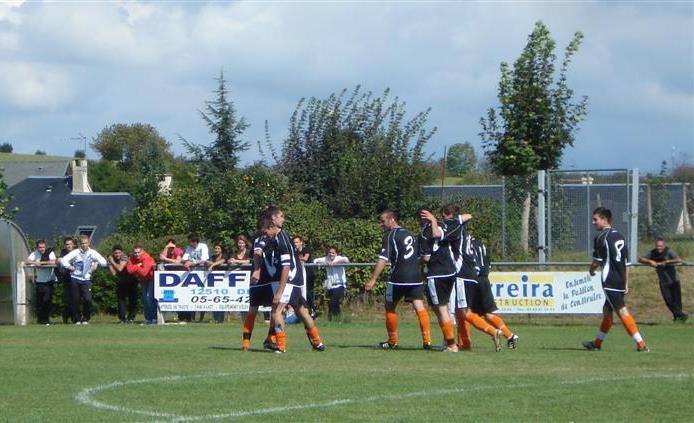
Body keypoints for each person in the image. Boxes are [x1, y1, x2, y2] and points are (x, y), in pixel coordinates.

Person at [583, 207, 649, 352]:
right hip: (619, 279)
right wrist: (626, 282)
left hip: (609, 280)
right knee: (607, 310)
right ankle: (597, 343)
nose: (593, 223)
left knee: (621, 311)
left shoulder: (601, 238)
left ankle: (641, 344)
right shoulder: (620, 235)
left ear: (604, 220)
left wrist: (591, 271)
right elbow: (626, 263)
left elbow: (596, 262)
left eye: (596, 219)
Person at [365, 209, 431, 350]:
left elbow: (383, 259)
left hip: (398, 277)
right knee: (419, 306)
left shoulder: (390, 235)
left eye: (383, 221)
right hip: (415, 277)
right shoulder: (410, 234)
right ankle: (427, 341)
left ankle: (392, 341)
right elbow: (421, 257)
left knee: (389, 306)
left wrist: (373, 279)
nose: (381, 224)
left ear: (392, 219)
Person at [441, 204, 503, 352]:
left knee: (463, 312)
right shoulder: (462, 230)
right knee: (459, 310)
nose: (442, 219)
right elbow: (468, 216)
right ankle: (465, 343)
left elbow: (466, 217)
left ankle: (493, 332)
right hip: (469, 273)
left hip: (463, 273)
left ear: (449, 214)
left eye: (444, 215)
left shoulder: (455, 227)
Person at [262, 214, 324, 353]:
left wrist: (280, 290)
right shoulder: (280, 236)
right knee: (301, 310)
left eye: (265, 229)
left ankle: (281, 345)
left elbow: (286, 266)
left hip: (289, 279)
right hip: (296, 279)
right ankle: (317, 342)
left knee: (276, 310)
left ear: (271, 225)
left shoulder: (281, 240)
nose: (264, 233)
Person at [418, 210, 458, 352]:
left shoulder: (424, 232)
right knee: (442, 309)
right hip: (450, 272)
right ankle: (447, 341)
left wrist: (417, 263)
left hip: (437, 274)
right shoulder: (444, 226)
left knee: (441, 309)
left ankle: (451, 344)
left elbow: (426, 258)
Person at [470, 236, 519, 349]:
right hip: (485, 279)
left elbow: (474, 264)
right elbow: (488, 264)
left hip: (474, 279)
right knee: (488, 314)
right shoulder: (480, 243)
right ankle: (510, 336)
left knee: (465, 312)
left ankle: (464, 342)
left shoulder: (466, 243)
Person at [60, 235, 107, 324]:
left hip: (86, 279)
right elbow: (63, 261)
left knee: (87, 299)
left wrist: (95, 263)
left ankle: (86, 318)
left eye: (85, 243)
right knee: (75, 300)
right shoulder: (75, 252)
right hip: (75, 278)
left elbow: (104, 263)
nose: (84, 245)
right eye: (82, 243)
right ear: (80, 244)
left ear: (89, 243)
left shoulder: (92, 253)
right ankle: (77, 319)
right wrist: (70, 267)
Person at [639, 239, 688, 322]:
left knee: (677, 301)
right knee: (668, 300)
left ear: (664, 246)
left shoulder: (669, 252)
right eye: (657, 246)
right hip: (663, 281)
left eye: (660, 246)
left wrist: (667, 262)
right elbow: (640, 259)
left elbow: (679, 260)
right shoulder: (652, 253)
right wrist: (650, 261)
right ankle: (682, 315)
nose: (659, 248)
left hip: (674, 280)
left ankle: (678, 318)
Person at [25, 240, 57, 325]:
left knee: (47, 300)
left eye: (43, 247)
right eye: (40, 247)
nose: (41, 249)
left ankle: (46, 319)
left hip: (49, 281)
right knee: (40, 302)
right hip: (39, 281)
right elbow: (27, 261)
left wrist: (41, 263)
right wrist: (35, 263)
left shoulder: (50, 252)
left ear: (45, 247)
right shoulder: (34, 253)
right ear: (37, 247)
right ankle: (41, 319)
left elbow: (53, 261)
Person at [313, 247, 350, 321]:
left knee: (332, 301)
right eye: (330, 252)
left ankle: (331, 318)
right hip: (330, 286)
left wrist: (335, 263)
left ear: (336, 253)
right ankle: (336, 319)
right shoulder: (326, 259)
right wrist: (325, 263)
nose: (331, 254)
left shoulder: (339, 258)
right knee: (335, 304)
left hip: (340, 284)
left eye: (333, 253)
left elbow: (346, 260)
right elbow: (315, 260)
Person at [180, 233, 209, 322]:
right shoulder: (189, 248)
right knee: (191, 295)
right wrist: (188, 262)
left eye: (191, 241)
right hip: (192, 274)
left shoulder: (203, 246)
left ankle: (201, 318)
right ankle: (192, 318)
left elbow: (204, 259)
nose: (190, 243)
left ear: (195, 241)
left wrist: (192, 262)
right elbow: (183, 259)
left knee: (202, 295)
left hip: (203, 273)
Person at [126, 244, 157, 325]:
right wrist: (138, 265)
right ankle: (148, 319)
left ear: (142, 251)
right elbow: (129, 270)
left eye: (138, 252)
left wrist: (135, 267)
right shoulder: (131, 258)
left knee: (149, 298)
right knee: (145, 299)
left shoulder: (147, 258)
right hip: (143, 280)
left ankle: (154, 318)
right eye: (135, 253)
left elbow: (144, 272)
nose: (136, 254)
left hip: (151, 279)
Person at [108, 245, 138, 324]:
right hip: (121, 281)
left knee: (132, 300)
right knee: (121, 300)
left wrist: (112, 262)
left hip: (131, 279)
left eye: (119, 253)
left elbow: (120, 268)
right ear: (113, 253)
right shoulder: (110, 259)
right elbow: (114, 273)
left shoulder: (124, 257)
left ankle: (131, 318)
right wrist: (111, 263)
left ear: (122, 252)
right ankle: (122, 318)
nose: (117, 255)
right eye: (115, 253)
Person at [294, 236, 317, 318]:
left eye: (297, 242)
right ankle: (303, 312)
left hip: (309, 274)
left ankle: (312, 311)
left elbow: (305, 258)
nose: (295, 244)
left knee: (308, 293)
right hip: (300, 275)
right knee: (300, 294)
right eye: (294, 242)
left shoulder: (306, 249)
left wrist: (298, 259)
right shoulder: (294, 252)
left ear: (301, 242)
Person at [204, 243, 228, 323]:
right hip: (213, 281)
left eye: (218, 248)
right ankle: (215, 318)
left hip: (223, 280)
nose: (217, 250)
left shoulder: (224, 255)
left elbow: (222, 261)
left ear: (221, 250)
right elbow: (207, 262)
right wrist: (212, 264)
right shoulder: (213, 257)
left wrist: (212, 265)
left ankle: (221, 319)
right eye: (215, 248)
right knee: (214, 299)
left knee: (222, 300)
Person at [56, 237, 76, 323]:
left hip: (77, 278)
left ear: (73, 245)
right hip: (67, 278)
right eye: (67, 244)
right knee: (68, 299)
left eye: (70, 244)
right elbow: (59, 260)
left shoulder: (77, 252)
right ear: (65, 245)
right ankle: (66, 316)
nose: (69, 246)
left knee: (76, 299)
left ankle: (74, 317)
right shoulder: (63, 253)